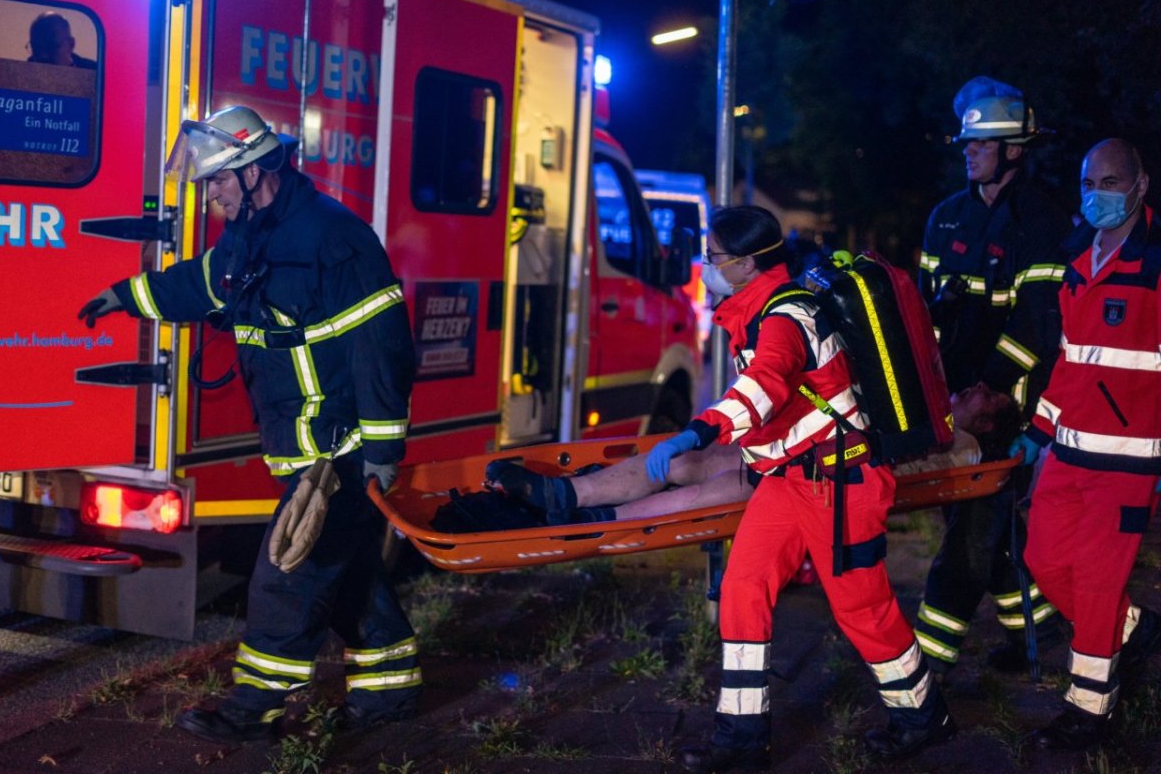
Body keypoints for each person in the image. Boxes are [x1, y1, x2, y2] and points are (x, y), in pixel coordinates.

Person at [77, 105, 420, 743]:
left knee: (287, 577)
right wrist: (130, 296)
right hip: (297, 441)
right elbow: (207, 284)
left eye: (219, 180)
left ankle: (251, 710)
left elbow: (382, 346)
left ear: (257, 168)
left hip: (335, 445)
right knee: (346, 575)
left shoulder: (333, 237)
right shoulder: (253, 230)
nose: (212, 194)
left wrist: (380, 447)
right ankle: (390, 690)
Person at [640, 206, 953, 772]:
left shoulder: (785, 318)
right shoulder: (758, 309)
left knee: (863, 609)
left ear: (747, 263)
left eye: (713, 257)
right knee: (742, 589)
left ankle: (922, 716)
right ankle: (741, 737)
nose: (706, 266)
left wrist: (696, 431)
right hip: (792, 480)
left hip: (841, 484)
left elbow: (763, 390)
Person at [914, 76, 1070, 678]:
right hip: (950, 403)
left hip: (1005, 409)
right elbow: (925, 317)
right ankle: (1042, 627)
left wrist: (988, 400)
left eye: (982, 143)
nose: (968, 151)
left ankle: (926, 662)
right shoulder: (946, 219)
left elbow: (1037, 325)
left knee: (971, 534)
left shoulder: (1044, 220)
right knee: (985, 521)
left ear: (1015, 149)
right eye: (967, 144)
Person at [1015, 138, 1161, 750]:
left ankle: (1089, 712)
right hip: (1068, 455)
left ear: (1139, 185)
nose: (1097, 194)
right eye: (1087, 183)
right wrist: (1038, 431)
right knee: (1043, 563)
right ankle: (1132, 627)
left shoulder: (1155, 266)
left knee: (1098, 585)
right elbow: (1072, 361)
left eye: (1109, 181)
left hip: (1127, 463)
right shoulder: (1078, 259)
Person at [485, 381, 1021, 524]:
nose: (974, 387)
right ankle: (566, 494)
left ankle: (598, 517)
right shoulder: (940, 416)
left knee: (716, 487)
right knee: (688, 463)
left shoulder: (964, 443)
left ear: (987, 419)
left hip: (827, 476)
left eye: (985, 395)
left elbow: (904, 469)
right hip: (807, 450)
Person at [27, 12, 97, 69]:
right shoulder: (23, 72)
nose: (43, 55)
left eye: (51, 46)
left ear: (71, 45)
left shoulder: (94, 72)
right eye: (37, 47)